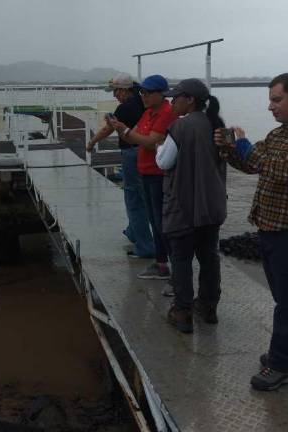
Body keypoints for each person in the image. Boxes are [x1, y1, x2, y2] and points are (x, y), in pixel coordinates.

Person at [215, 73, 288, 391]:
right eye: (270, 99)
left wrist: (244, 145)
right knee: (286, 299)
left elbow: (287, 171)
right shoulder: (278, 135)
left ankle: (280, 365)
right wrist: (230, 150)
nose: (270, 106)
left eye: (276, 99)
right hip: (269, 227)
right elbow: (254, 165)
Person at [155, 78, 227, 334]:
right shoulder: (217, 125)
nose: (172, 101)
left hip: (184, 206)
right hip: (212, 207)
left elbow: (163, 163)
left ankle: (182, 311)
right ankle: (208, 307)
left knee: (181, 259)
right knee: (209, 257)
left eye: (177, 97)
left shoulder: (180, 127)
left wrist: (158, 148)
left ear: (190, 100)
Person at [110, 74, 177, 280]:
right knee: (154, 219)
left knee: (160, 220)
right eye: (142, 92)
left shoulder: (166, 113)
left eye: (148, 93)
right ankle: (160, 262)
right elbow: (136, 136)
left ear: (161, 93)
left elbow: (150, 142)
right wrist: (121, 129)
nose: (144, 96)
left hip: (159, 174)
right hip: (145, 172)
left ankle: (167, 265)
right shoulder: (148, 112)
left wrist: (126, 131)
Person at [87, 74, 155, 259]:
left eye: (116, 91)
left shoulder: (125, 108)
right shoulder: (146, 103)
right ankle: (134, 233)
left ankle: (145, 246)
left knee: (134, 201)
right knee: (145, 197)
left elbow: (107, 129)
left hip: (132, 155)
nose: (114, 95)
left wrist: (91, 143)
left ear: (125, 90)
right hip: (150, 153)